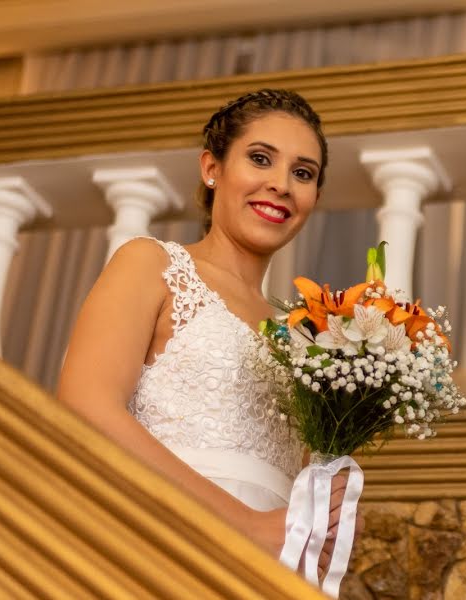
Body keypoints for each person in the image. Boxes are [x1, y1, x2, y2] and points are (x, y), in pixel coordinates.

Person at [58, 89, 350, 577]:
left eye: (302, 173)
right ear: (211, 168)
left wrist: (325, 512)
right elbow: (85, 407)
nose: (280, 184)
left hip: (268, 571)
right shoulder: (152, 264)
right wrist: (245, 525)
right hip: (159, 540)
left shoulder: (306, 340)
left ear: (314, 198)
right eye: (260, 159)